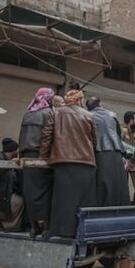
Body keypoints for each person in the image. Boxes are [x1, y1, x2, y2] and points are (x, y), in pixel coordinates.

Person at [40, 89, 97, 238]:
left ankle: (61, 231)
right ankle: (81, 231)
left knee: (63, 198)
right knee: (83, 199)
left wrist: (44, 156)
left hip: (62, 161)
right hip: (86, 162)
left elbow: (46, 136)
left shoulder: (56, 112)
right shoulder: (89, 115)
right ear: (80, 100)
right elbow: (94, 140)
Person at [19, 87, 55, 238]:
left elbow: (21, 137)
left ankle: (34, 226)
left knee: (30, 192)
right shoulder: (48, 113)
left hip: (26, 157)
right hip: (41, 156)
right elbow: (49, 136)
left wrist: (21, 155)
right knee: (46, 191)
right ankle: (46, 226)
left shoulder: (28, 114)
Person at [87, 96, 129, 207]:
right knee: (119, 184)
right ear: (100, 104)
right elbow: (118, 134)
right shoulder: (112, 114)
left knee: (102, 184)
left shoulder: (88, 116)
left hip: (99, 152)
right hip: (116, 151)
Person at [0, 138, 23, 234]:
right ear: (12, 151)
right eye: (16, 150)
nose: (17, 152)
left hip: (3, 196)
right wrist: (10, 163)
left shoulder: (9, 160)